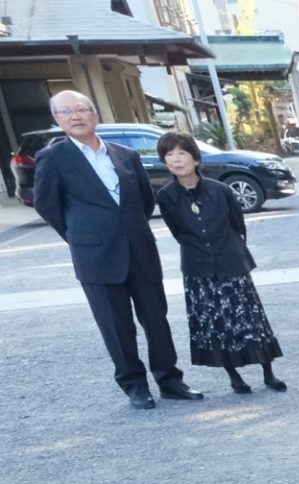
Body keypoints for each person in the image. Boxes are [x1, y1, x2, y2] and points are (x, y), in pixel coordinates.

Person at [32, 90, 202, 410]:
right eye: (66, 111)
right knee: (115, 325)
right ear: (57, 119)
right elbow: (47, 205)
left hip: (139, 248)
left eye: (82, 109)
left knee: (156, 318)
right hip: (94, 256)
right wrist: (80, 235)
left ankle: (170, 379)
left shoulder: (125, 154)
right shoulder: (53, 158)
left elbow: (143, 199)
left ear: (95, 114)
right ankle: (134, 385)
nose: (76, 116)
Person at [154, 131, 285, 395]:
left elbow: (238, 227)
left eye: (182, 153)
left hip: (231, 262)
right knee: (216, 325)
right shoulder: (166, 196)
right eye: (169, 155)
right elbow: (177, 231)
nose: (176, 160)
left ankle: (268, 372)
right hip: (197, 268)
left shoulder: (221, 190)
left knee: (250, 319)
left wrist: (231, 251)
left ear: (196, 159)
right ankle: (234, 376)